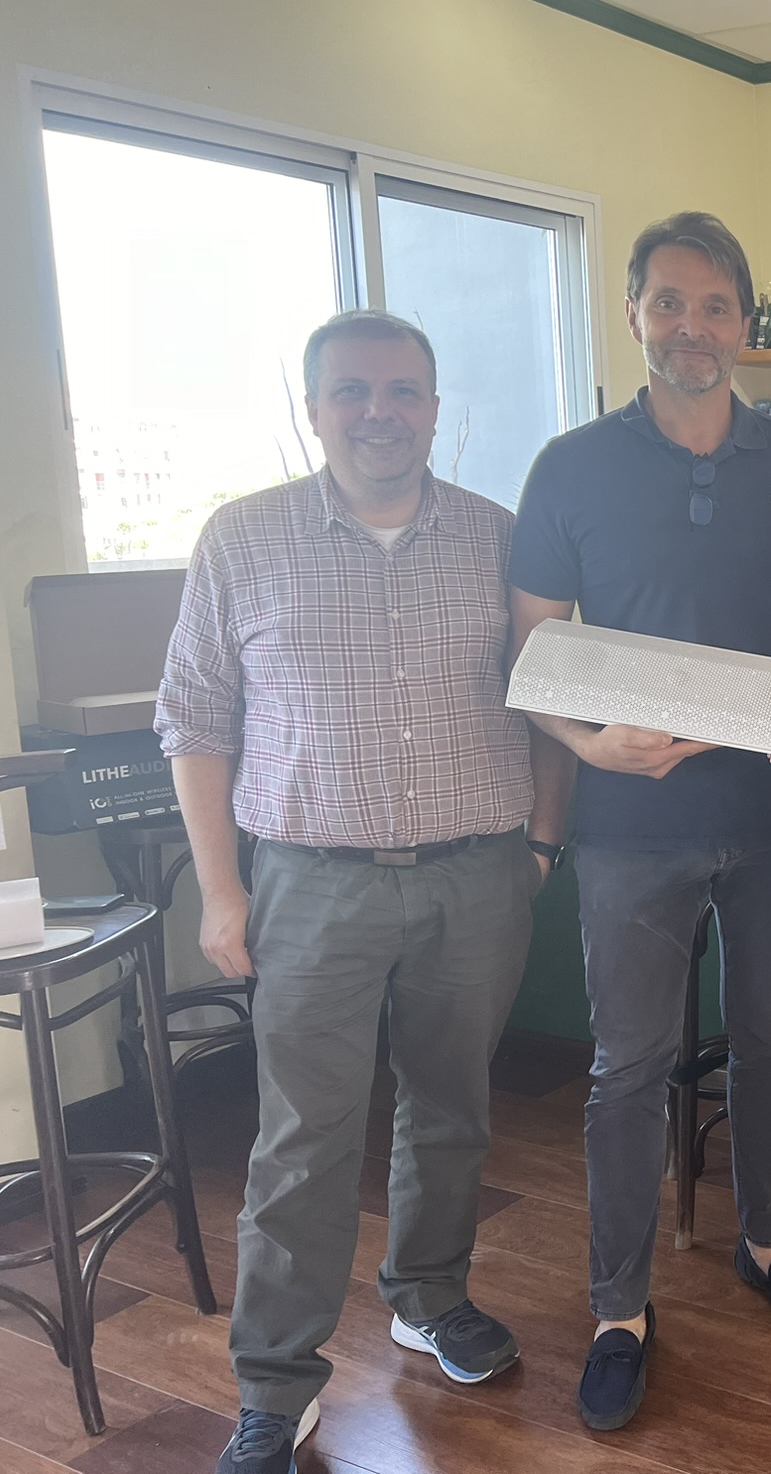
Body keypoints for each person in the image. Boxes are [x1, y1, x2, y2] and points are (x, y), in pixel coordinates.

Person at [159, 311, 554, 1474]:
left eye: (402, 391)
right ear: (313, 408)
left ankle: (428, 1296)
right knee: (303, 1141)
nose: (379, 412)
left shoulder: (499, 538)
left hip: (476, 875)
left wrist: (539, 846)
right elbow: (195, 718)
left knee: (452, 1108)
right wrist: (220, 893)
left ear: (434, 406)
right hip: (309, 883)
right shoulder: (243, 538)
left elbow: (550, 699)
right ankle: (275, 1386)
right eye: (353, 391)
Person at [508, 211, 771, 1433]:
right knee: (627, 1068)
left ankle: (766, 1243)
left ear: (744, 322)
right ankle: (618, 1310)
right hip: (628, 823)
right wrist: (584, 744)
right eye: (668, 302)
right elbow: (530, 652)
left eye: (714, 305)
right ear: (633, 315)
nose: (692, 327)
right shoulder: (569, 467)